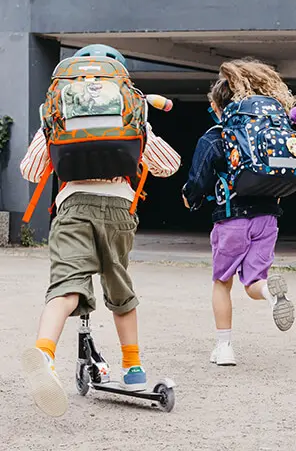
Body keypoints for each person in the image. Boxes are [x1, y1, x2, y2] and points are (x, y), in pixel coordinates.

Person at [20, 45, 182, 417]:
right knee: (120, 290)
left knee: (66, 288)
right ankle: (133, 369)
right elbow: (168, 165)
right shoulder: (132, 111)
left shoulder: (57, 110)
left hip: (73, 205)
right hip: (118, 208)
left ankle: (43, 354)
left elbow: (30, 171)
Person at [182, 59, 296, 367]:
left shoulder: (216, 136)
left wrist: (190, 198)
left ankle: (224, 348)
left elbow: (197, 180)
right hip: (267, 218)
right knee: (253, 283)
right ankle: (271, 293)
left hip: (231, 218)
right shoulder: (270, 129)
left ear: (218, 105)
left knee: (222, 282)